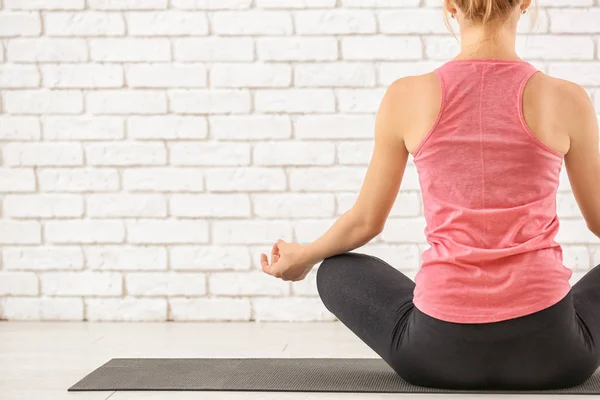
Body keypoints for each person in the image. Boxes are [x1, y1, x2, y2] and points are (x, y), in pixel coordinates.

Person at [260, 0, 600, 391]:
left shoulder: (408, 96)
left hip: (436, 355)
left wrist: (305, 256)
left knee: (336, 270)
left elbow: (366, 221)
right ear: (525, 3)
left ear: (450, 6)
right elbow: (598, 221)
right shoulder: (567, 98)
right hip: (555, 356)